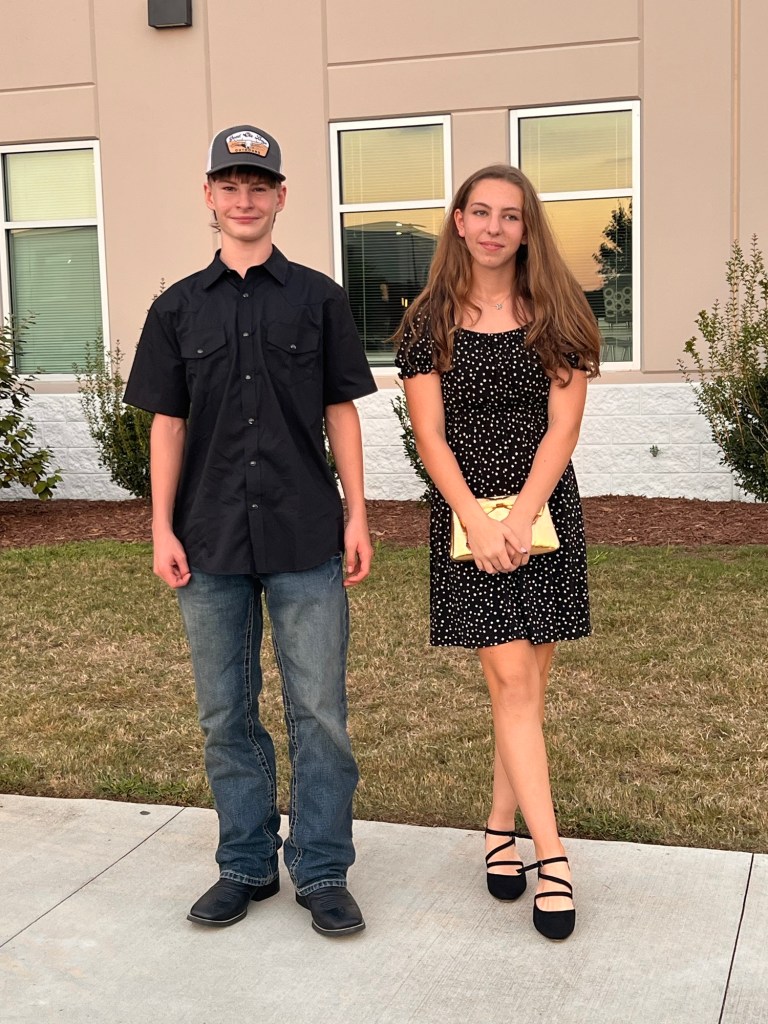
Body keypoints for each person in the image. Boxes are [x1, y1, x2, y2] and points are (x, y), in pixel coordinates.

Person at [124, 124, 376, 937]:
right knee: (224, 714)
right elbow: (167, 425)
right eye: (229, 186)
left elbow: (340, 410)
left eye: (257, 186)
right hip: (208, 540)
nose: (243, 199)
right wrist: (161, 528)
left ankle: (323, 870)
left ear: (280, 197)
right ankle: (244, 863)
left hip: (305, 534)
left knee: (320, 712)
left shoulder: (319, 299)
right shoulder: (175, 308)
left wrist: (358, 512)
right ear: (208, 196)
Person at [395, 164, 600, 941]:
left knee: (526, 688)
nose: (493, 227)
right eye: (479, 212)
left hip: (543, 516)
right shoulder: (428, 321)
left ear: (526, 227)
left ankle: (497, 826)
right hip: (467, 525)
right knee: (512, 680)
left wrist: (521, 515)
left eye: (509, 215)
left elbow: (563, 428)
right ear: (458, 221)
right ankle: (555, 859)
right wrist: (478, 523)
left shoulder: (560, 311)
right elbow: (430, 436)